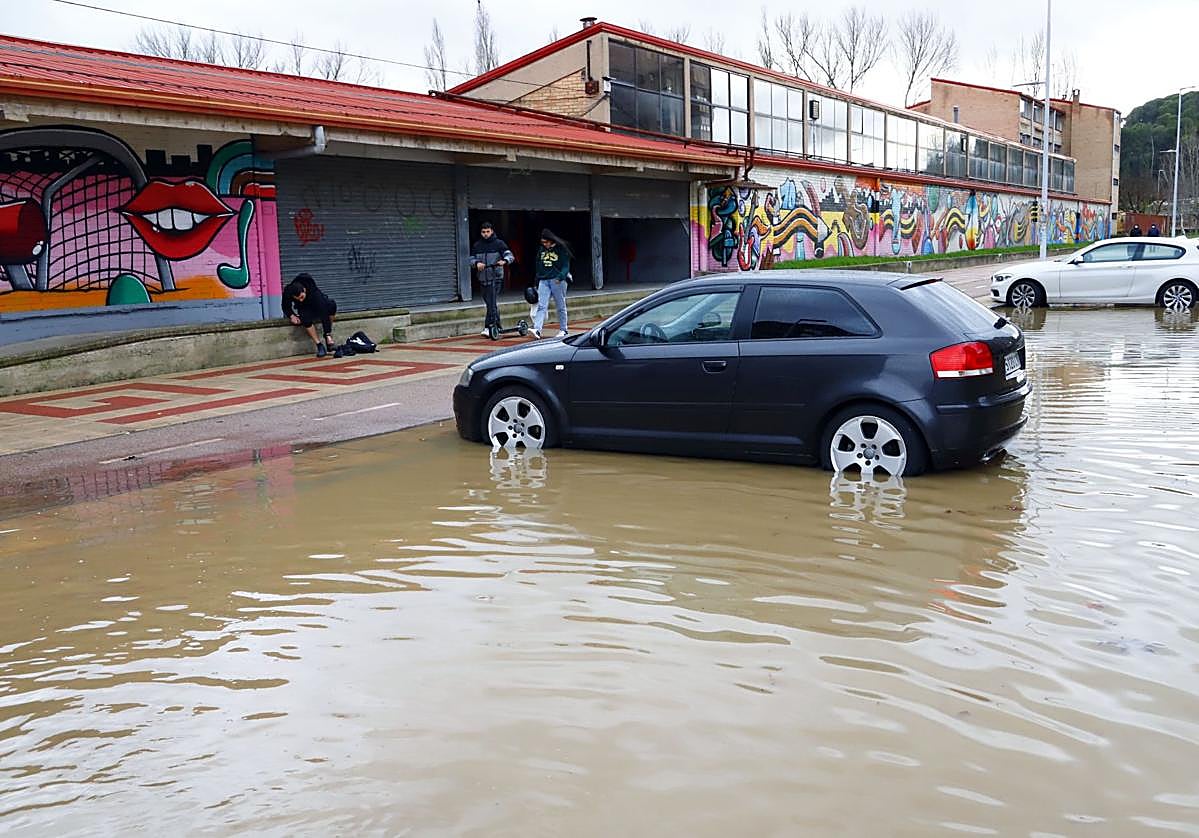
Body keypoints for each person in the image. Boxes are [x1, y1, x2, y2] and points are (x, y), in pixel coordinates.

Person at [471, 221, 515, 337]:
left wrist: (504, 261)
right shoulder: (477, 245)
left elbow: (510, 255)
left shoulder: (499, 244)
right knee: (491, 303)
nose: (485, 234)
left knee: (491, 302)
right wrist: (476, 263)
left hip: (495, 278)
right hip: (482, 278)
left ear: (492, 231)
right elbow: (471, 259)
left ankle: (488, 326)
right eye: (483, 232)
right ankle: (498, 326)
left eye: (487, 231)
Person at [283, 272, 337, 357]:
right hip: (304, 308)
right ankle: (319, 345)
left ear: (304, 290)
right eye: (298, 299)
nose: (300, 300)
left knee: (331, 305)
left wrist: (327, 334)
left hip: (317, 303)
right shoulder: (288, 291)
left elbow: (323, 310)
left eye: (302, 297)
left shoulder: (311, 287)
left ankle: (328, 339)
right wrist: (291, 315)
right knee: (305, 318)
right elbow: (285, 306)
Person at [532, 228, 572, 339]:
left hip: (557, 280)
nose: (544, 244)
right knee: (541, 305)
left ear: (551, 241)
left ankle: (564, 329)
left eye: (546, 242)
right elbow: (538, 264)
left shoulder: (561, 249)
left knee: (560, 305)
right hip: (544, 280)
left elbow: (565, 265)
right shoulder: (541, 250)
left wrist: (560, 277)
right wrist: (537, 278)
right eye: (543, 242)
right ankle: (537, 329)